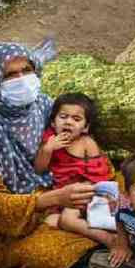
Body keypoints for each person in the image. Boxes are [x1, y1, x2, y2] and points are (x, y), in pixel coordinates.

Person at [0, 43, 98, 268]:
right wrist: (51, 199)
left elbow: (72, 142)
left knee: (118, 186)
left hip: (58, 184)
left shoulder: (41, 104)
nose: (22, 79)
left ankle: (77, 227)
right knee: (43, 258)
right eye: (10, 75)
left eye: (27, 70)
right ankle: (83, 232)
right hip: (13, 221)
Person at [33, 92, 115, 247]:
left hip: (86, 191)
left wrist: (89, 192)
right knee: (49, 222)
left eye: (76, 119)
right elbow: (39, 169)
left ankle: (106, 238)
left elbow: (100, 173)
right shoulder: (49, 139)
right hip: (62, 195)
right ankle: (85, 222)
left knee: (67, 220)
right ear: (53, 122)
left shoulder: (86, 143)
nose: (68, 122)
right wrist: (48, 149)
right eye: (63, 117)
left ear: (85, 127)